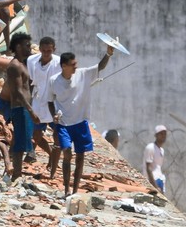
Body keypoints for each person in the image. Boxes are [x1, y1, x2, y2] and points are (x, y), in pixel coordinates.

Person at [47, 47, 113, 196]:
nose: (76, 66)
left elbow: (100, 66)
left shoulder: (83, 74)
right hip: (63, 124)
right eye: (73, 64)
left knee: (80, 157)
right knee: (67, 154)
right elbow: (50, 101)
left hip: (81, 122)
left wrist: (108, 54)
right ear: (64, 66)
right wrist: (54, 116)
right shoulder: (53, 81)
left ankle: (75, 191)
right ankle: (66, 190)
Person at [6, 33, 40, 179]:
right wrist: (31, 110)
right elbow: (18, 91)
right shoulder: (14, 66)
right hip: (20, 107)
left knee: (22, 140)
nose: (29, 48)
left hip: (25, 107)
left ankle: (15, 173)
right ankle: (16, 175)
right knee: (20, 143)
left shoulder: (23, 64)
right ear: (18, 47)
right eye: (27, 45)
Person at [26, 36, 61, 170]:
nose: (46, 53)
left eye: (49, 51)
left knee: (58, 133)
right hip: (38, 101)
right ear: (40, 49)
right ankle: (51, 154)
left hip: (54, 103)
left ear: (53, 50)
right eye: (44, 50)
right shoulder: (32, 61)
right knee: (36, 135)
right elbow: (30, 81)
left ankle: (55, 160)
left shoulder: (59, 63)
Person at [143, 125, 167, 194]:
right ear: (156, 135)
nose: (163, 136)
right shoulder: (150, 147)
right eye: (161, 134)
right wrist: (155, 187)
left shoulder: (161, 150)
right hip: (152, 181)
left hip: (160, 179)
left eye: (165, 134)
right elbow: (148, 168)